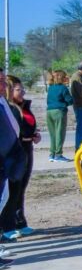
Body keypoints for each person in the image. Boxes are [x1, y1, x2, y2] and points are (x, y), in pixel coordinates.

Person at [2, 76, 41, 241]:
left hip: (26, 149)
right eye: (19, 89)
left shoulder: (22, 106)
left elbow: (27, 126)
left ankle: (19, 221)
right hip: (13, 151)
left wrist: (34, 135)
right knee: (11, 189)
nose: (23, 92)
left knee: (21, 188)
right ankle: (7, 226)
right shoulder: (7, 107)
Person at [0, 69, 26, 258]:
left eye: (4, 81)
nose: (4, 86)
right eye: (0, 81)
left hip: (7, 161)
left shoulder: (2, 102)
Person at [46, 69, 75, 162]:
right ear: (61, 77)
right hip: (59, 112)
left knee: (53, 134)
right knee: (60, 133)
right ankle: (58, 154)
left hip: (49, 111)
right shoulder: (63, 88)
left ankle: (52, 154)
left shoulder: (50, 87)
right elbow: (70, 100)